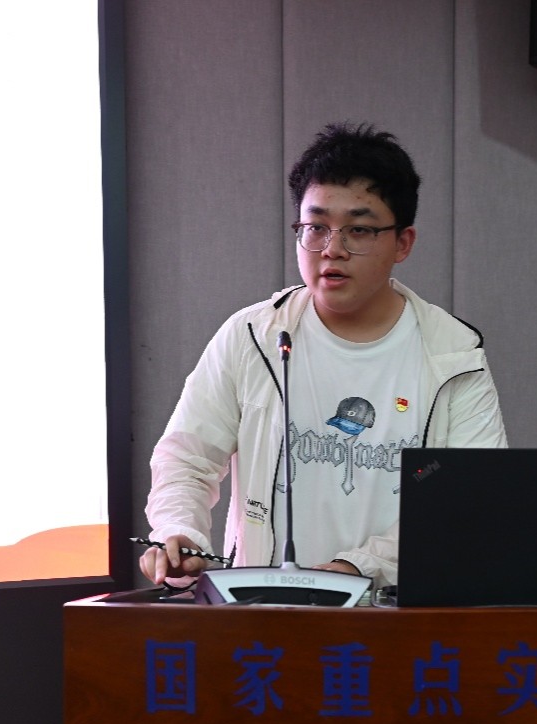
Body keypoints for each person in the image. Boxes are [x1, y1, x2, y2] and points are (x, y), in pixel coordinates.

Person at [140, 122, 507, 589]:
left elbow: (468, 500)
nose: (333, 250)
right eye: (315, 228)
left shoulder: (454, 356)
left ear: (403, 243)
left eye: (359, 230)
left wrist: (357, 569)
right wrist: (180, 534)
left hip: (396, 612)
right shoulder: (253, 336)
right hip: (266, 610)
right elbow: (186, 459)